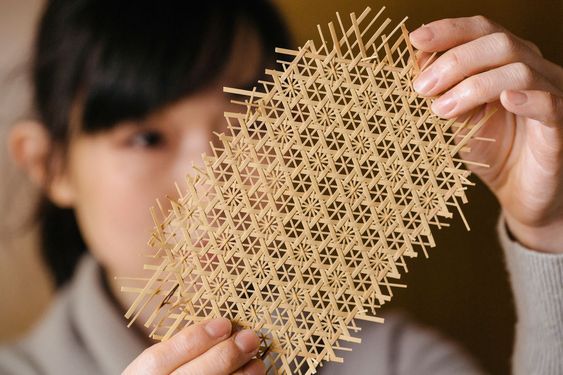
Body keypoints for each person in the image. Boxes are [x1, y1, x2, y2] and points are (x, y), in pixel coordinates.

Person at [1, 0, 562, 374]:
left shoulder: (394, 361)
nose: (214, 179)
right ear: (50, 165)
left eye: (249, 118)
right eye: (147, 138)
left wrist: (549, 227)